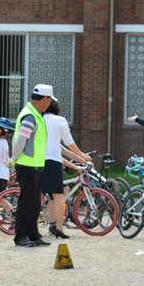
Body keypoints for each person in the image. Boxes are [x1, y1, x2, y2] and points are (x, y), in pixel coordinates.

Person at [10, 84, 53, 247]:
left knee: (35, 203)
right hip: (27, 165)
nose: (50, 103)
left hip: (35, 165)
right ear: (44, 99)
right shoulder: (30, 116)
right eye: (49, 99)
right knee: (27, 202)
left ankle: (33, 234)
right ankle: (21, 235)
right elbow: (21, 140)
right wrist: (14, 159)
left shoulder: (35, 114)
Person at [41, 99, 91, 238]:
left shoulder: (39, 120)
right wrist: (82, 155)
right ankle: (59, 228)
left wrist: (81, 159)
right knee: (58, 196)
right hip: (53, 162)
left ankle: (37, 227)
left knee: (39, 195)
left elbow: (63, 150)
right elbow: (69, 143)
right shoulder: (60, 121)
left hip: (37, 160)